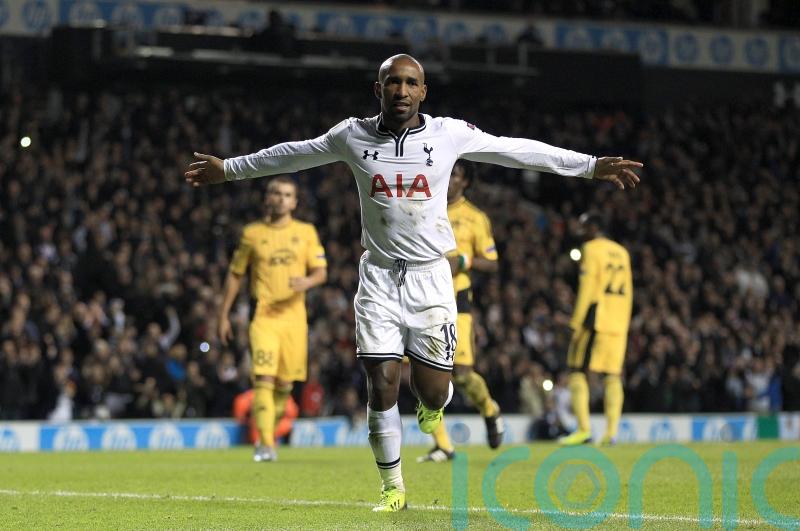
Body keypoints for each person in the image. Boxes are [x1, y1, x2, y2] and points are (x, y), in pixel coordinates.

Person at [185, 54, 642, 511]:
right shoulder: (352, 135)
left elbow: (516, 149)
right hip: (380, 276)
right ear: (378, 89)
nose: (401, 91)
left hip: (431, 280)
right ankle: (392, 487)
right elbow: (295, 152)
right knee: (381, 381)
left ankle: (430, 409)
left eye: (410, 83)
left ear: (423, 91)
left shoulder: (448, 134)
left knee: (435, 391)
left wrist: (589, 166)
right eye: (392, 82)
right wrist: (230, 169)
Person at [217, 176, 327, 462]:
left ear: (294, 202)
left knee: (284, 385)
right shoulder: (252, 233)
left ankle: (269, 434)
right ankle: (265, 443)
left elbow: (321, 272)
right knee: (263, 379)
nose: (280, 198)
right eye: (275, 193)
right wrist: (223, 314)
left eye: (286, 194)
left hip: (294, 320)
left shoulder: (306, 232)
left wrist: (306, 282)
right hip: (264, 317)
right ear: (267, 198)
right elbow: (235, 274)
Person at [417, 159, 504, 463]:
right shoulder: (424, 205)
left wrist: (464, 261)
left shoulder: (474, 217)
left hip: (457, 300)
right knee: (418, 369)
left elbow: (492, 262)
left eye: (456, 175)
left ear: (465, 182)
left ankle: (490, 410)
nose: (450, 179)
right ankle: (443, 445)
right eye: (447, 172)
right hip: (422, 297)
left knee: (463, 374)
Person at [559, 212, 633, 446]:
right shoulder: (622, 252)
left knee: (576, 370)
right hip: (619, 321)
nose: (581, 232)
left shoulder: (591, 249)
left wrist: (575, 322)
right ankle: (611, 434)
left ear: (594, 228)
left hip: (596, 319)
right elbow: (630, 292)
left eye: (584, 228)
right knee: (612, 376)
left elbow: (588, 288)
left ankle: (584, 430)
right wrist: (624, 321)